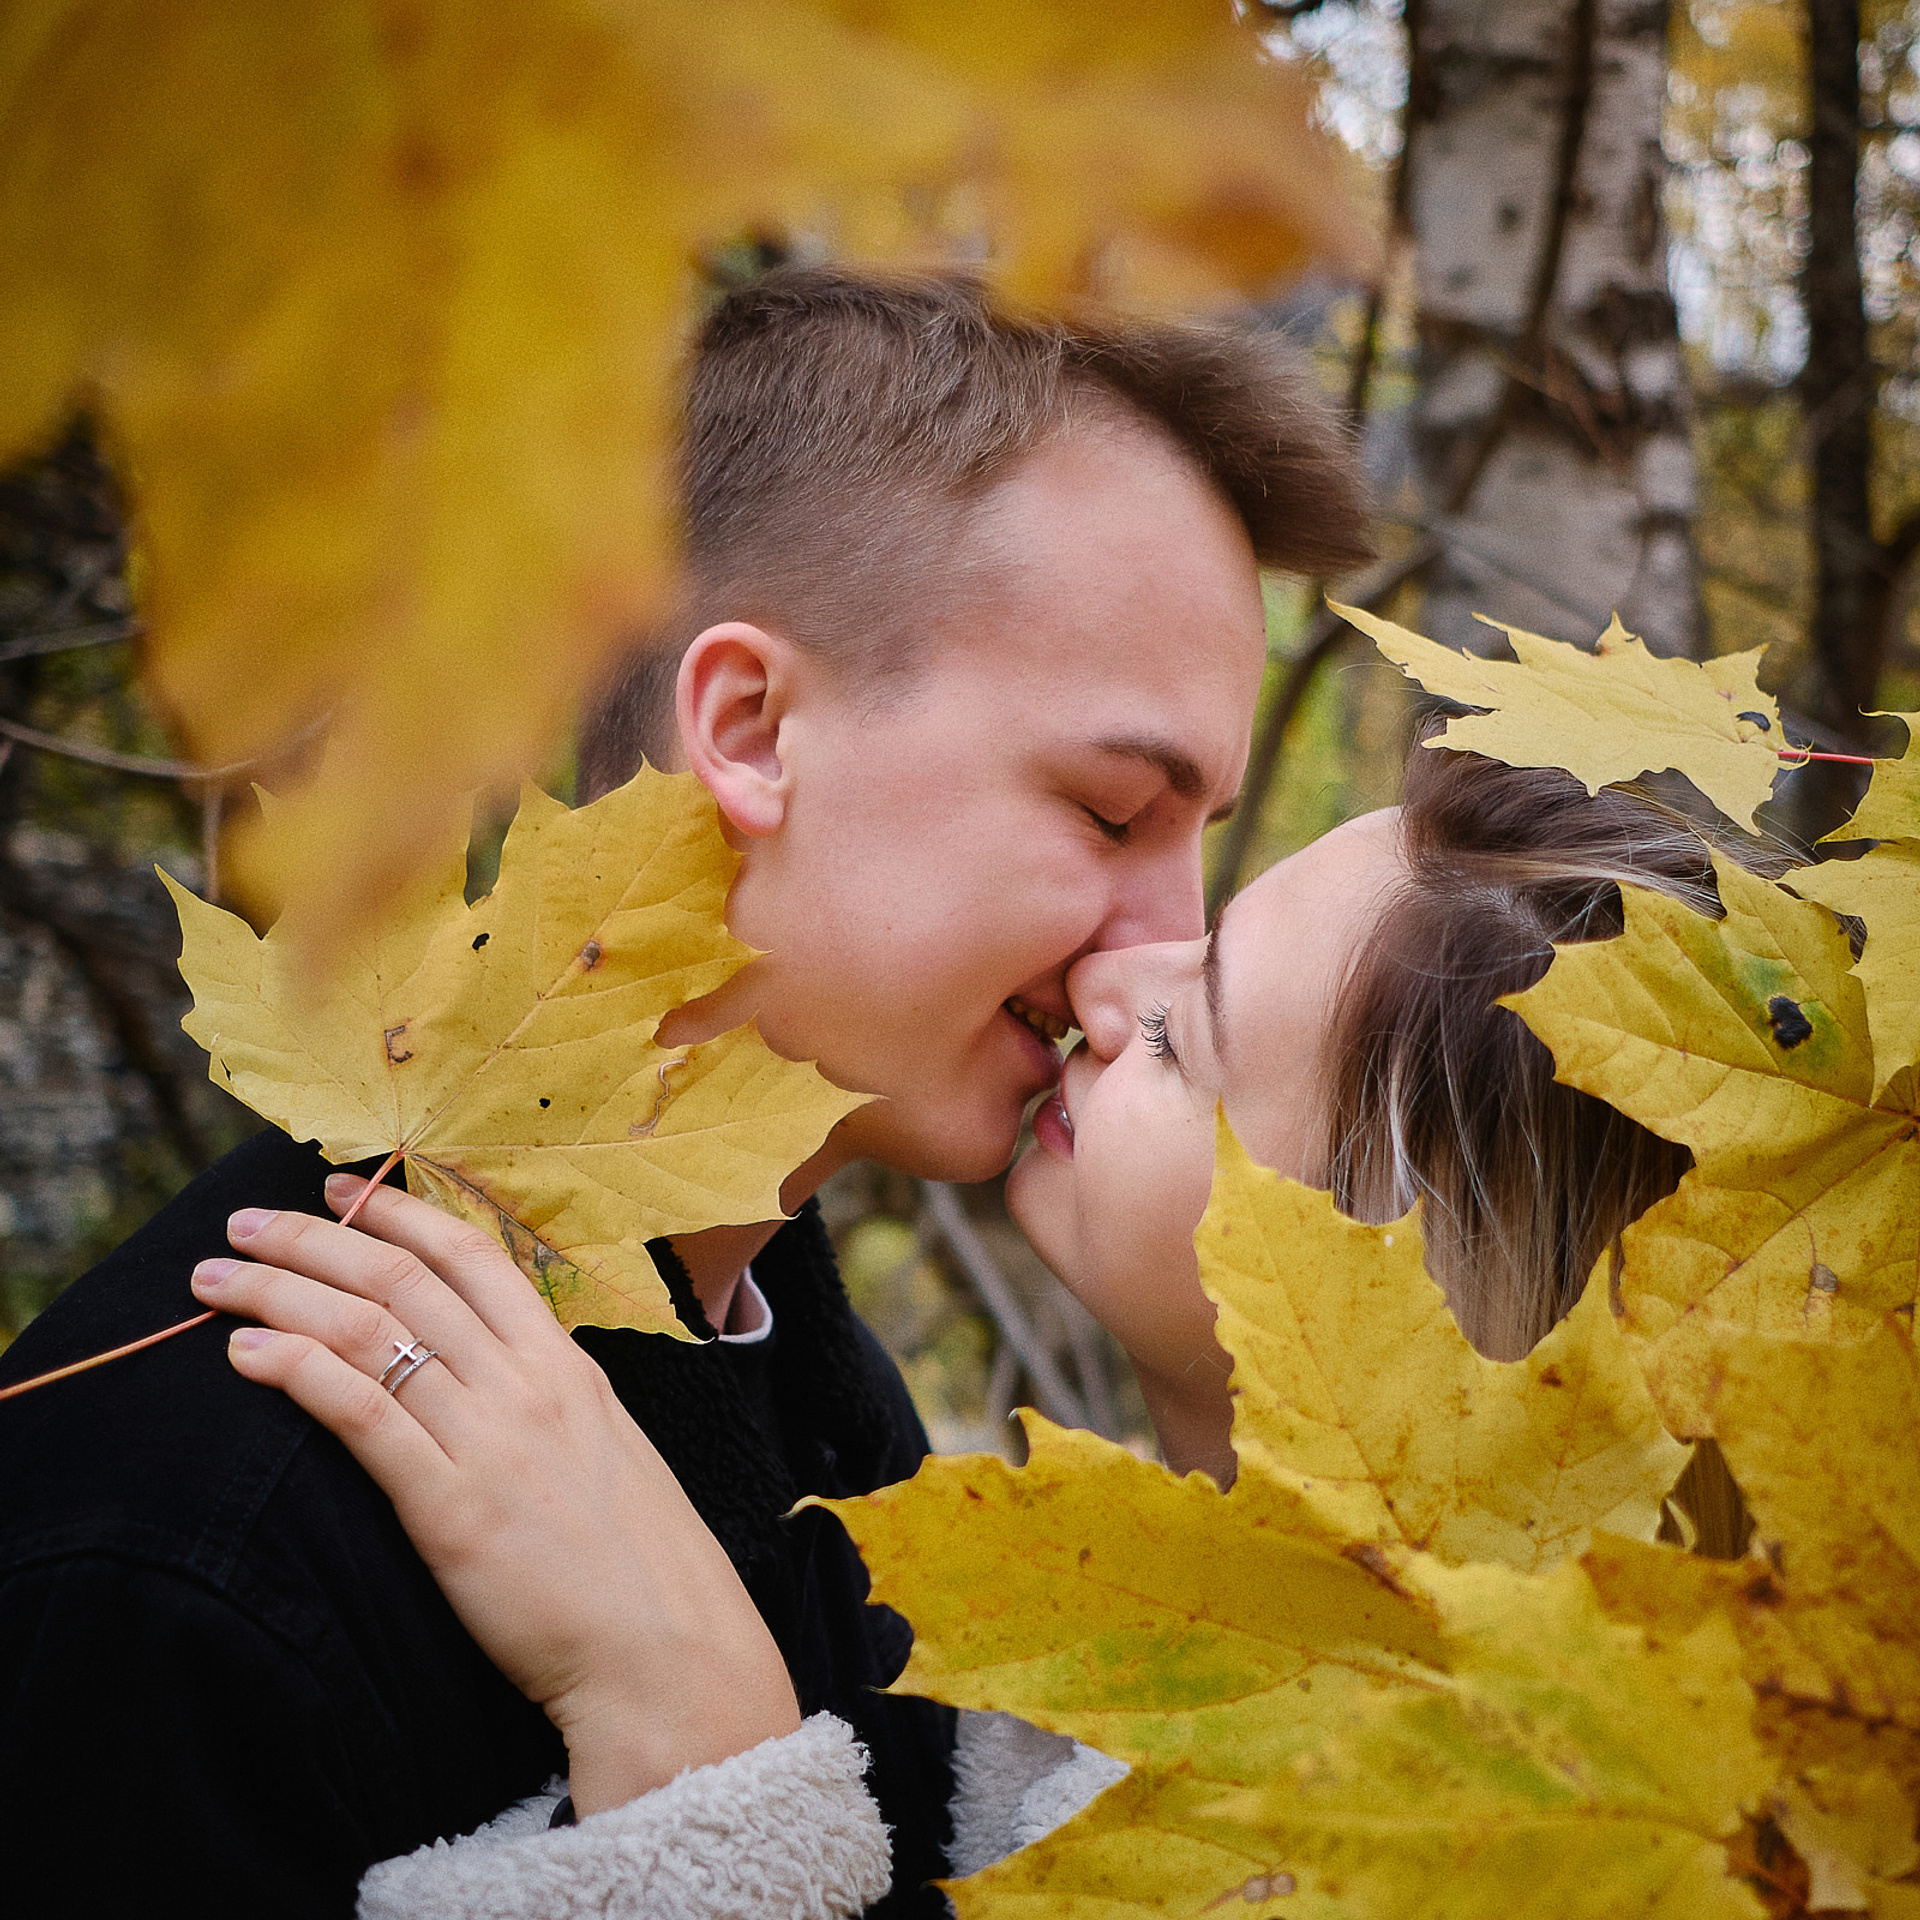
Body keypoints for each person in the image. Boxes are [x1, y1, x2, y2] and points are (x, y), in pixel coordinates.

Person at [0, 266, 1370, 1918]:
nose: (1158, 946)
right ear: (750, 726)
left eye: (1201, 840)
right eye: (1110, 813)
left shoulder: (811, 1388)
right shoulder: (179, 1554)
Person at [199, 740, 1735, 1917]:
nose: (1108, 975)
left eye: (1189, 1029)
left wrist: (696, 1763)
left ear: (1406, 1284)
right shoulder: (1081, 1626)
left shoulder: (1413, 1833)